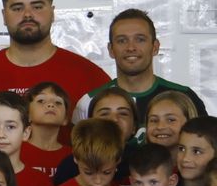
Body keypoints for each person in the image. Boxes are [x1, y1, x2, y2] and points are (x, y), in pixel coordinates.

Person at [0, 0, 111, 118]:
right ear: (4, 16)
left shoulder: (90, 76)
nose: (28, 15)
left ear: (52, 13)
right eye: (17, 8)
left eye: (37, 7)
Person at [76, 8, 206, 120]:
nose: (131, 47)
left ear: (155, 47)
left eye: (140, 40)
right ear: (111, 50)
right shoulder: (89, 102)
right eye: (122, 40)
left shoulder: (185, 97)